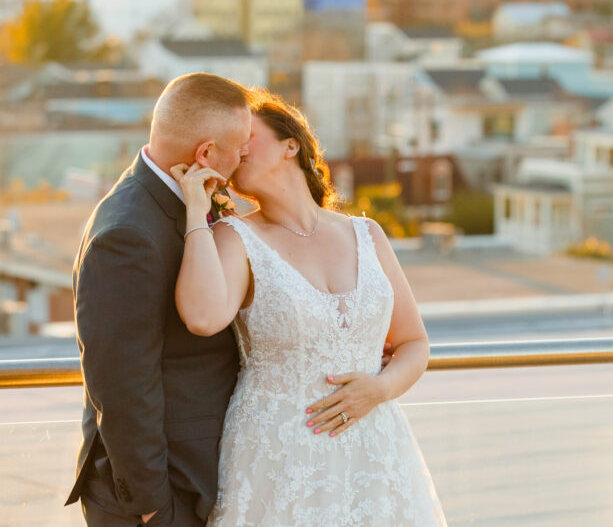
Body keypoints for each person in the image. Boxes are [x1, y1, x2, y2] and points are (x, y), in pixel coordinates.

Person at [172, 89, 446, 525]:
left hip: (376, 452)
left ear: (290, 144)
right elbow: (203, 318)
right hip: (280, 460)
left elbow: (414, 343)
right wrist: (195, 212)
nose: (236, 149)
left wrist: (381, 388)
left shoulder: (368, 234)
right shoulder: (234, 237)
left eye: (248, 136)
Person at [67, 73, 253, 526]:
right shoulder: (128, 234)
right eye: (241, 144)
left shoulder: (180, 197)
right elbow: (121, 387)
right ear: (206, 153)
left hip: (193, 480)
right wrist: (153, 508)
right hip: (159, 496)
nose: (246, 153)